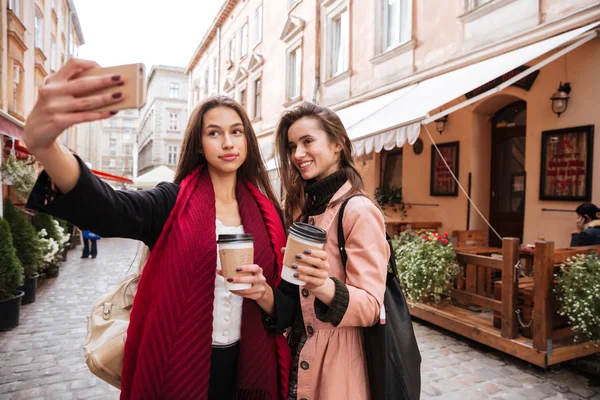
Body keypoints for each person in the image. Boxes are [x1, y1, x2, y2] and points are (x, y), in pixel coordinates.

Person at [24, 59, 297, 400]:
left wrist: (264, 293)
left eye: (236, 131)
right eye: (214, 132)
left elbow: (287, 306)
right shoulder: (173, 202)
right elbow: (109, 209)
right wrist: (45, 147)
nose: (227, 142)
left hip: (248, 368)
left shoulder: (269, 212)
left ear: (247, 140)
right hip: (178, 364)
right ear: (199, 143)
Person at [273, 101, 390, 399]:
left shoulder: (358, 210)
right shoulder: (303, 209)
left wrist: (322, 285)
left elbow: (371, 306)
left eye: (308, 141)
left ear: (338, 144)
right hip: (296, 355)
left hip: (337, 366)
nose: (298, 154)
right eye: (292, 146)